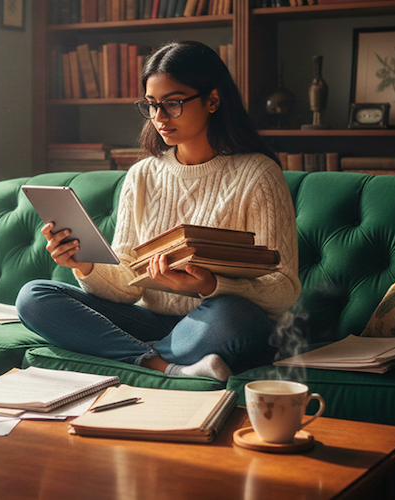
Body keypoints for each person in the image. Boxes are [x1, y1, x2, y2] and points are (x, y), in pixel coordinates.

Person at [16, 40, 301, 382]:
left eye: (173, 103)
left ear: (212, 100)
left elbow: (283, 289)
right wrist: (85, 265)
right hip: (154, 322)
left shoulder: (258, 175)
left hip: (217, 321)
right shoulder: (142, 175)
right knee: (34, 296)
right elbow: (127, 286)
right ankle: (162, 365)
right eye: (151, 105)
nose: (159, 118)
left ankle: (131, 353)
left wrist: (212, 284)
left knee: (234, 315)